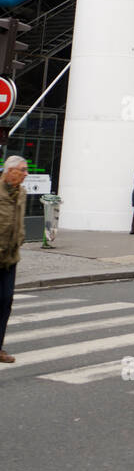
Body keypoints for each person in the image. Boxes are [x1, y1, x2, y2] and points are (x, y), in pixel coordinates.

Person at [0, 155, 28, 363]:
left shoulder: (22, 193)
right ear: (10, 171)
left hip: (10, 259)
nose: (26, 174)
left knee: (5, 301)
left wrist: (20, 238)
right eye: (22, 169)